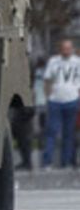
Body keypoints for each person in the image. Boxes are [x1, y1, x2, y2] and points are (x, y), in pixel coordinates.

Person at [42, 38, 80, 169]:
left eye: (68, 48)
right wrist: (48, 96)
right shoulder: (54, 61)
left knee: (69, 133)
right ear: (60, 49)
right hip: (55, 100)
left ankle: (66, 162)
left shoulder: (77, 62)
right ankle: (47, 161)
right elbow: (47, 80)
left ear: (72, 49)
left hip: (72, 99)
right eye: (64, 48)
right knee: (51, 132)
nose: (66, 51)